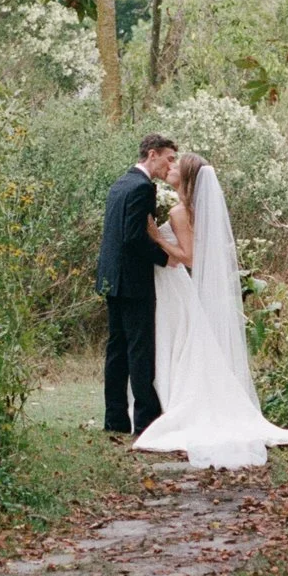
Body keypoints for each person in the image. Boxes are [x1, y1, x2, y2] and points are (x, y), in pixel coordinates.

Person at [132, 153, 288, 468]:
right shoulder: (190, 209)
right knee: (181, 346)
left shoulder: (179, 212)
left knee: (177, 344)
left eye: (177, 165)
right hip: (175, 286)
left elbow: (189, 258)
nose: (171, 167)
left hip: (174, 285)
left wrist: (156, 239)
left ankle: (172, 406)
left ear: (187, 177)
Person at [96, 133, 178, 436]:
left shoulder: (120, 183)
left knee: (117, 349)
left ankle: (115, 419)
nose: (171, 165)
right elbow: (133, 236)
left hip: (112, 279)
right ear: (152, 154)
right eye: (169, 158)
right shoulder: (143, 187)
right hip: (133, 280)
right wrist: (162, 257)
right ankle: (146, 421)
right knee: (140, 349)